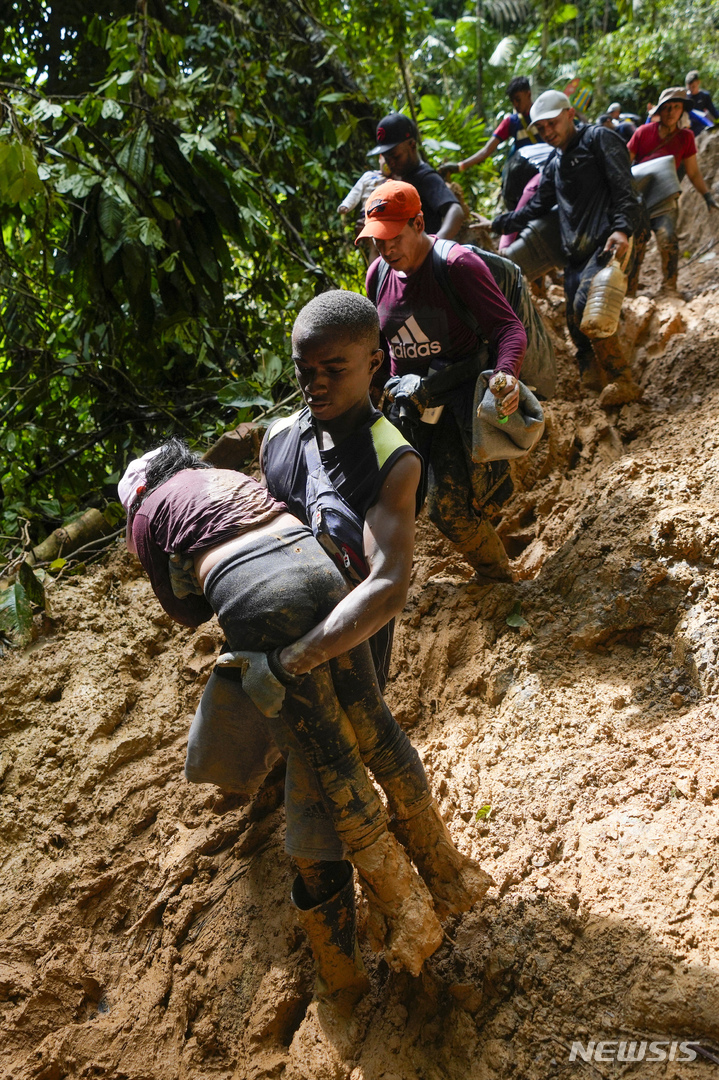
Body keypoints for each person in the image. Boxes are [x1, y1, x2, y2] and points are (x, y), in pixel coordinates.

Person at [121, 436, 491, 1008]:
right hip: (319, 568)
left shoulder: (147, 512)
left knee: (332, 760)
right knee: (377, 727)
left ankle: (406, 911)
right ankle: (446, 871)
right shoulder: (218, 476)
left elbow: (186, 613)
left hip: (256, 596)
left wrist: (184, 568)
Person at [356, 178, 527, 580]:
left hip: (457, 396)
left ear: (418, 223)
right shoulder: (377, 276)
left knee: (449, 509)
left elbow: (508, 329)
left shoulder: (457, 266)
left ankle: (497, 577)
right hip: (407, 403)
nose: (386, 249)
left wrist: (506, 377)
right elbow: (380, 353)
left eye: (393, 237)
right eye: (377, 241)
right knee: (387, 499)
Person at [492, 90, 647, 408]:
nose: (547, 132)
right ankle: (593, 374)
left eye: (552, 124)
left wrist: (621, 228)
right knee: (574, 319)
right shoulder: (555, 161)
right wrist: (501, 222)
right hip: (575, 252)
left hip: (605, 242)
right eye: (541, 128)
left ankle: (623, 380)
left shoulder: (599, 139)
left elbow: (623, 186)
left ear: (570, 114)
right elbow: (536, 205)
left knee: (586, 307)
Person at [627, 87, 718, 291]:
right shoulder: (643, 132)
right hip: (639, 197)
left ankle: (669, 288)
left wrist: (707, 196)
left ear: (682, 111)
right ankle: (630, 289)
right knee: (637, 245)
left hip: (666, 197)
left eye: (676, 107)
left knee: (667, 237)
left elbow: (693, 173)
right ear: (660, 110)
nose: (671, 112)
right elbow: (624, 163)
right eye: (667, 107)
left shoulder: (685, 137)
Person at [446, 77, 543, 211]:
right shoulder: (511, 122)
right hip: (524, 182)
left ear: (528, 94)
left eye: (518, 99)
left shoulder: (545, 115)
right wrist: (460, 166)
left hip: (547, 175)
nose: (515, 104)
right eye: (512, 101)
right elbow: (487, 150)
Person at [367, 112, 465, 239]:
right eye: (386, 158)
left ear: (412, 145)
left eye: (396, 156)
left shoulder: (425, 177)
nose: (391, 163)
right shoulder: (401, 179)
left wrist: (434, 246)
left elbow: (455, 211)